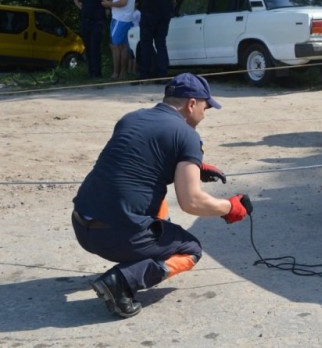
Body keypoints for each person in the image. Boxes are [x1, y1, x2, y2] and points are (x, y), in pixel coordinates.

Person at [72, 73, 252, 318]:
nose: (205, 113)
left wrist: (193, 165)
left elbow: (136, 164)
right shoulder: (187, 135)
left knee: (158, 204)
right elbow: (191, 202)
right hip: (114, 238)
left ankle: (141, 254)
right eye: (205, 106)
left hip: (82, 225)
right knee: (191, 249)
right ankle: (122, 282)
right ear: (191, 104)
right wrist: (229, 207)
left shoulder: (131, 118)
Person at [133, 0, 180, 79]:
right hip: (164, 13)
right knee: (161, 43)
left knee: (146, 43)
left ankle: (144, 73)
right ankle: (162, 73)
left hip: (149, 12)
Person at [73, 0, 114, 78]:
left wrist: (108, 9)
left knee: (94, 46)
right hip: (85, 22)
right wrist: (80, 6)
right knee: (88, 47)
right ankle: (91, 72)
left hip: (98, 22)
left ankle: (97, 72)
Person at [101, 0, 137, 79]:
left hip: (120, 19)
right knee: (124, 46)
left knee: (115, 46)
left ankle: (117, 73)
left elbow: (123, 1)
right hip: (126, 19)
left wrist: (109, 4)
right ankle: (123, 73)